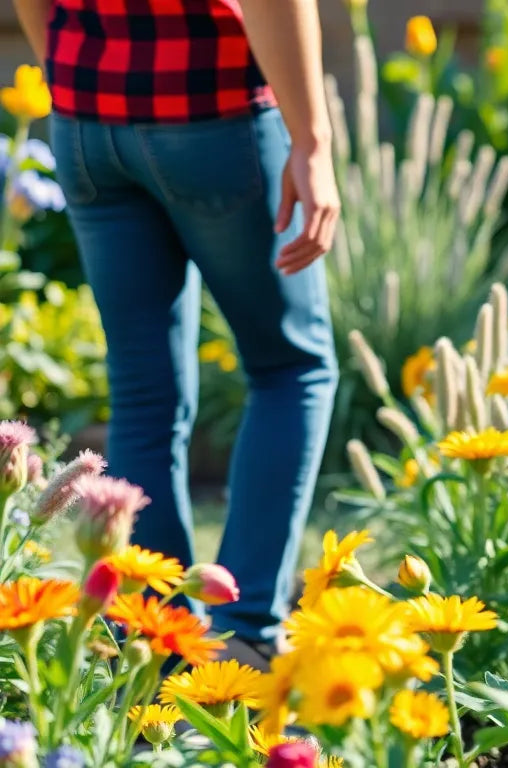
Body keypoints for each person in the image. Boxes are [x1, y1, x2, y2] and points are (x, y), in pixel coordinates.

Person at [11, 0, 340, 667]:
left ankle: (159, 650)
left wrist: (70, 73)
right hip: (212, 107)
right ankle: (244, 632)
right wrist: (312, 141)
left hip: (85, 114)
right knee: (291, 370)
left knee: (142, 397)